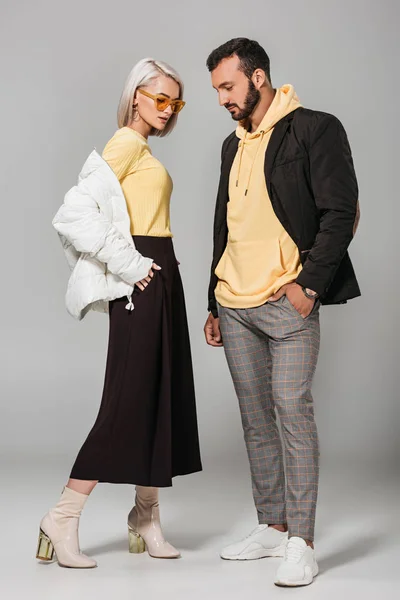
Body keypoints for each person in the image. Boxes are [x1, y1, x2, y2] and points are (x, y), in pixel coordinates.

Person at [204, 38, 360, 587]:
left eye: (228, 86)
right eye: (217, 89)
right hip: (235, 304)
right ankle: (272, 525)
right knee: (255, 419)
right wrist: (213, 300)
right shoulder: (232, 143)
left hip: (286, 302)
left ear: (259, 77)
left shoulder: (315, 128)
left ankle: (302, 542)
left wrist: (309, 287)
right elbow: (227, 226)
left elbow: (343, 212)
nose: (222, 98)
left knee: (292, 412)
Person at [37, 58, 202, 569]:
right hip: (143, 279)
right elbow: (73, 214)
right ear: (136, 96)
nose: (168, 109)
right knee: (127, 400)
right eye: (159, 98)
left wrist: (158, 269)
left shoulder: (144, 149)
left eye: (175, 102)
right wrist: (132, 265)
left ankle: (145, 516)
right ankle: (62, 516)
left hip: (163, 275)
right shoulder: (125, 143)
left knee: (160, 395)